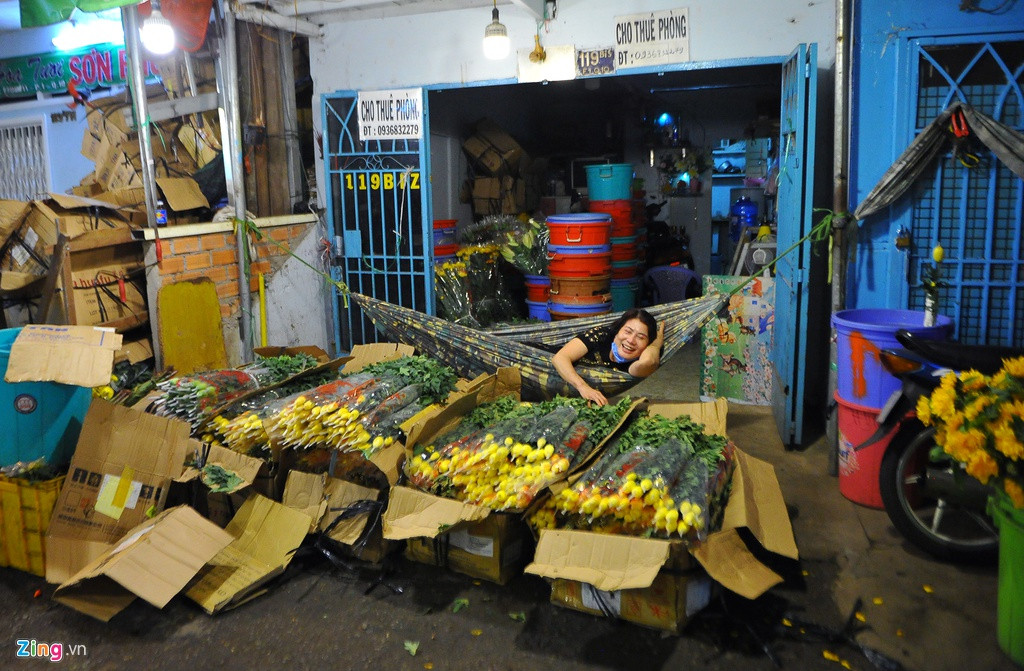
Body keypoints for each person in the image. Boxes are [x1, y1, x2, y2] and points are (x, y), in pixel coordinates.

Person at [551, 308, 665, 406]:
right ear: (617, 331)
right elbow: (560, 358)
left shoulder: (634, 365)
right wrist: (583, 387)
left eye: (640, 337)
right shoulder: (601, 336)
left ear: (647, 345)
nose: (631, 340)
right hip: (538, 359)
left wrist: (655, 346)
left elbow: (649, 362)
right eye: (627, 331)